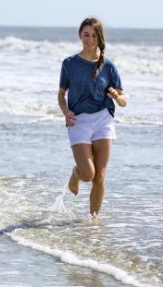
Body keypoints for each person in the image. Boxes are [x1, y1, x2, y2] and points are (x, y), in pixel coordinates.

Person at [58, 17, 127, 216]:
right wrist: (66, 112)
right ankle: (76, 173)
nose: (90, 39)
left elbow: (123, 100)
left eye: (94, 35)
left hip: (103, 119)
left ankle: (93, 223)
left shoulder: (109, 66)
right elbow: (61, 94)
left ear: (100, 38)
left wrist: (116, 96)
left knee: (100, 176)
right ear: (80, 35)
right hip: (78, 121)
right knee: (88, 174)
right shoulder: (69, 63)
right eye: (86, 34)